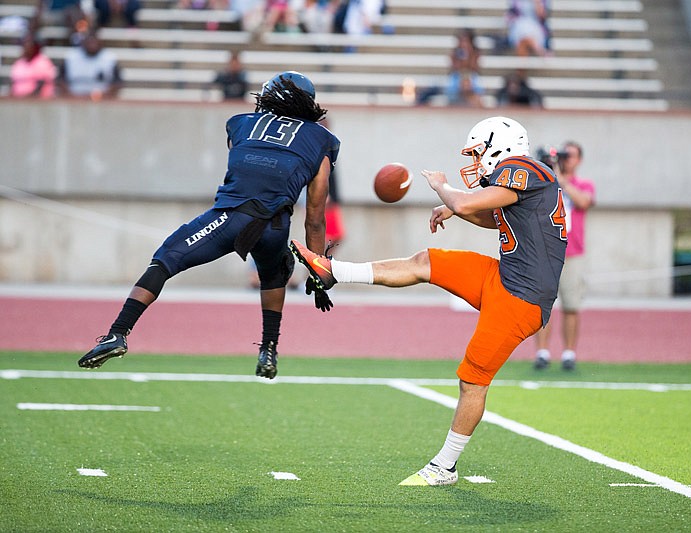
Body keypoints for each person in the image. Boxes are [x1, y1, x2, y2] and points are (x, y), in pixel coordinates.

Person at [291, 116, 567, 485]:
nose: (474, 159)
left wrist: (445, 190)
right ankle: (333, 271)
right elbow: (496, 217)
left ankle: (445, 467)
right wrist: (457, 206)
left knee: (473, 380)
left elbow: (474, 203)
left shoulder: (523, 168)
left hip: (521, 297)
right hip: (504, 278)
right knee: (426, 262)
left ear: (497, 145)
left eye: (477, 151)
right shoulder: (527, 176)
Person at [78, 71, 340, 379]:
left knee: (165, 259)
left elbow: (242, 168)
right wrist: (318, 267)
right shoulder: (323, 140)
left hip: (231, 216)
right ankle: (268, 349)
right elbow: (314, 214)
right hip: (276, 227)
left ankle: (117, 333)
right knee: (273, 277)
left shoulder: (239, 123)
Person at [533, 141, 595, 371]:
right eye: (564, 155)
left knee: (571, 305)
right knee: (541, 306)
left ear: (578, 160)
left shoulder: (583, 184)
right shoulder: (547, 181)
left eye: (570, 156)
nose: (566, 159)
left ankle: (568, 353)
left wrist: (563, 181)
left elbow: (584, 202)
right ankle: (542, 352)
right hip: (546, 251)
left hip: (573, 253)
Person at [59, 32, 122, 99]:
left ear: (100, 42)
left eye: (94, 42)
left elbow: (117, 83)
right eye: (89, 42)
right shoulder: (71, 57)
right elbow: (60, 80)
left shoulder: (109, 58)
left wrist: (105, 96)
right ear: (83, 43)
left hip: (102, 99)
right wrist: (71, 96)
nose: (91, 45)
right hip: (74, 98)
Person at [10, 33, 57, 99]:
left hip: (37, 100)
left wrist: (29, 97)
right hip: (18, 99)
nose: (26, 48)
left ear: (35, 47)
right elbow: (13, 82)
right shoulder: (19, 62)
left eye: (29, 45)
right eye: (25, 45)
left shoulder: (43, 61)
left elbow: (41, 83)